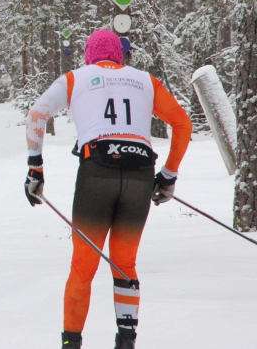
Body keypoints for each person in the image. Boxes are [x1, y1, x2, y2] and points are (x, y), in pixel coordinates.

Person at [23, 29, 192, 349]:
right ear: (120, 55)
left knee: (83, 268)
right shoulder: (145, 80)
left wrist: (35, 168)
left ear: (89, 55)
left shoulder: (75, 77)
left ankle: (71, 343)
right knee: (125, 264)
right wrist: (168, 175)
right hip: (140, 173)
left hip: (97, 172)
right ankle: (126, 342)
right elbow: (183, 123)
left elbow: (36, 116)